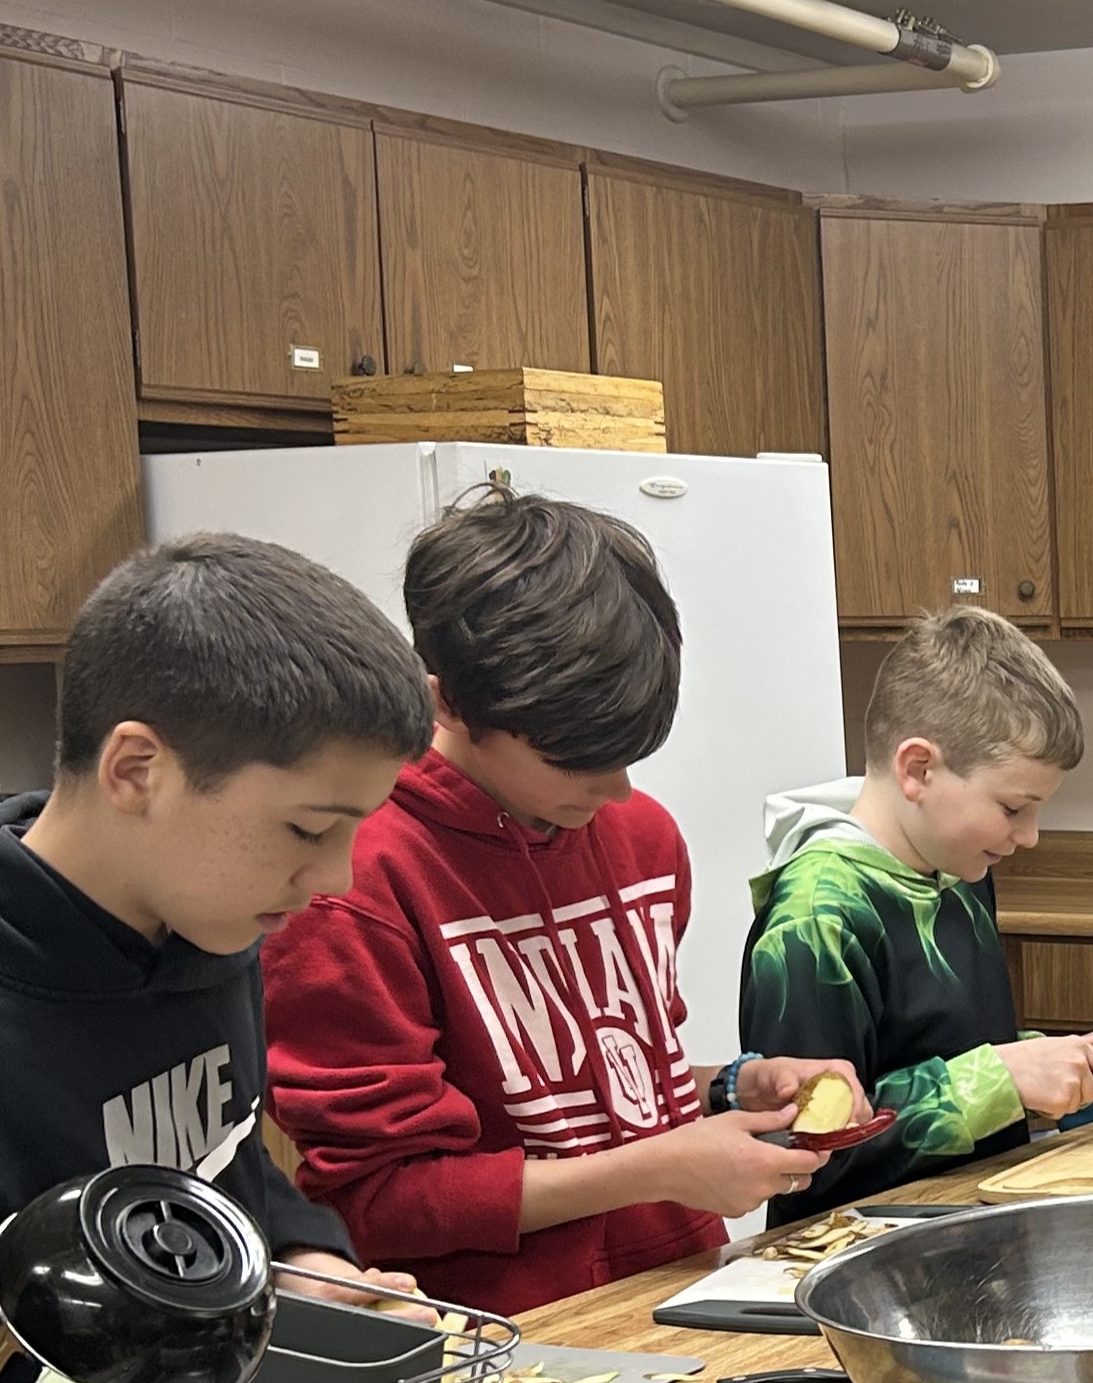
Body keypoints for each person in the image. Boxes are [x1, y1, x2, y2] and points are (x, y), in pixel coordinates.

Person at [264, 487, 860, 1317]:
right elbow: (374, 1202)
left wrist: (734, 1089)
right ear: (447, 704)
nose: (616, 791)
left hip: (681, 1293)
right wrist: (659, 1168)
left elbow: (597, 1093)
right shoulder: (353, 885)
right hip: (503, 1341)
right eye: (577, 760)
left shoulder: (642, 838)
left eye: (628, 755)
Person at [0, 535, 432, 1298]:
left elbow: (220, 1162)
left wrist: (308, 1266)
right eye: (307, 828)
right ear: (137, 771)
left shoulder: (215, 924)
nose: (333, 877)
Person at [742, 605, 1093, 1223]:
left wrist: (1062, 1065)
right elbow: (803, 1150)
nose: (1030, 836)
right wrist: (1003, 1079)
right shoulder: (815, 918)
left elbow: (954, 1056)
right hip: (858, 1260)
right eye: (1013, 807)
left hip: (969, 1226)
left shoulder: (959, 869)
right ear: (918, 770)